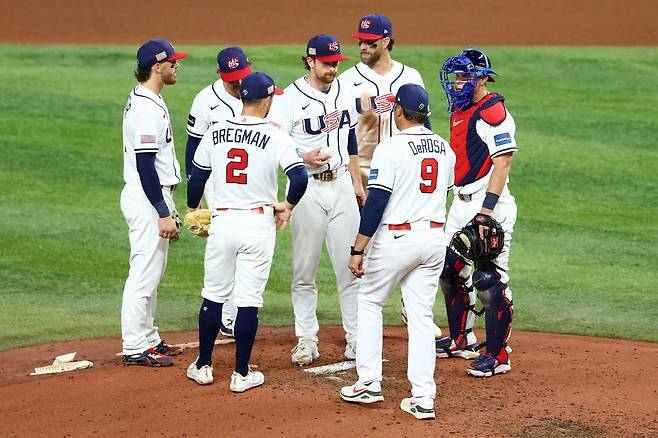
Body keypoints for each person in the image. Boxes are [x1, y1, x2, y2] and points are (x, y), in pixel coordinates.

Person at [186, 72, 308, 391]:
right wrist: (288, 206)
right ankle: (241, 374)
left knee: (213, 295)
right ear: (266, 100)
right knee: (248, 300)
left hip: (223, 221)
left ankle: (203, 365)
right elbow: (299, 178)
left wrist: (191, 207)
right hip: (258, 224)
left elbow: (197, 177)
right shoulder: (276, 134)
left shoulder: (215, 130)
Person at [339, 84, 455, 420]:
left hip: (397, 239)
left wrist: (358, 248)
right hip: (434, 239)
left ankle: (369, 383)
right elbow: (443, 190)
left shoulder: (390, 147)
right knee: (420, 318)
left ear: (399, 111)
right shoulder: (444, 148)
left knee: (370, 301)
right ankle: (423, 398)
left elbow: (376, 202)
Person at [338, 14, 440, 336]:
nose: (362, 46)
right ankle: (358, 328)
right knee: (363, 243)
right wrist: (361, 104)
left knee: (406, 237)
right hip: (363, 170)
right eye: (360, 41)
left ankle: (412, 308)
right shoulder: (347, 78)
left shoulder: (410, 75)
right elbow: (339, 120)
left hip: (405, 170)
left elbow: (423, 120)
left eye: (369, 42)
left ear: (385, 41)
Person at [268, 34, 365, 366]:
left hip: (340, 186)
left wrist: (355, 179)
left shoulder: (345, 90)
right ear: (310, 61)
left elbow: (349, 134)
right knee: (304, 270)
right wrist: (302, 155)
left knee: (351, 267)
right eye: (326, 63)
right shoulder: (288, 98)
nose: (332, 69)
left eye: (336, 63)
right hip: (306, 190)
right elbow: (274, 141)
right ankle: (306, 339)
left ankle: (355, 338)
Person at [435, 48, 517, 377]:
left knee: (488, 279)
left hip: (489, 205)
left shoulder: (492, 112)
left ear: (482, 79)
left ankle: (498, 356)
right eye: (456, 77)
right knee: (448, 268)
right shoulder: (462, 110)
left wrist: (486, 213)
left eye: (465, 77)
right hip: (461, 203)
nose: (457, 83)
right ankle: (461, 338)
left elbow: (503, 161)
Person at [120, 39, 188, 367]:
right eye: (172, 62)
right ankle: (134, 345)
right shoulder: (147, 108)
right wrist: (163, 212)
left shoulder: (147, 98)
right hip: (148, 197)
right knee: (144, 273)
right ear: (156, 67)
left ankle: (148, 337)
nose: (177, 66)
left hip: (153, 195)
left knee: (153, 273)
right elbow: (145, 164)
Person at [185, 46, 253, 338]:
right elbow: (192, 148)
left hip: (251, 182)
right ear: (220, 75)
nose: (238, 85)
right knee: (227, 245)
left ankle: (235, 313)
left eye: (241, 78)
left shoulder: (260, 93)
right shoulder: (204, 101)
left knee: (248, 245)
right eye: (232, 80)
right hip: (216, 182)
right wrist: (194, 193)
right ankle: (228, 315)